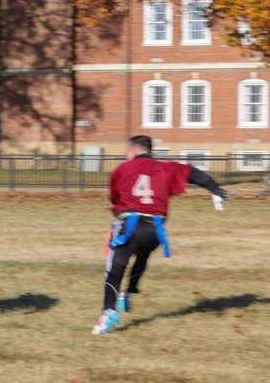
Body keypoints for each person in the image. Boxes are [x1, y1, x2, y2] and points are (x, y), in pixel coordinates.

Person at [93, 134, 230, 334]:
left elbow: (113, 198)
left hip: (129, 225)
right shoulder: (166, 167)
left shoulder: (123, 169)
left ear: (132, 151)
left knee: (114, 270)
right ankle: (128, 294)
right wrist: (215, 188)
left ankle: (107, 313)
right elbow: (193, 172)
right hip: (154, 230)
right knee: (143, 252)